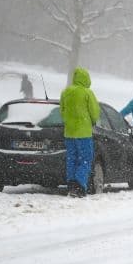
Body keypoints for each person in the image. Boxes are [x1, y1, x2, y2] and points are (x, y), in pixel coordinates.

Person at [59, 67, 100, 198]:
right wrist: (93, 121)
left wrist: (69, 121)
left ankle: (71, 184)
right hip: (83, 133)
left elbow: (62, 110)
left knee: (72, 159)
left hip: (69, 133)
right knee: (85, 159)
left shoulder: (65, 92)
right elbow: (95, 112)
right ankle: (80, 185)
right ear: (86, 79)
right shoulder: (87, 93)